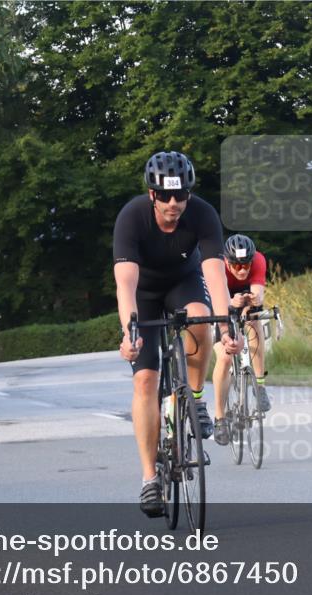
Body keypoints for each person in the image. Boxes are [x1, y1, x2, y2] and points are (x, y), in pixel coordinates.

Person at [114, 150, 242, 517]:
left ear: (189, 193)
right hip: (144, 293)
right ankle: (150, 478)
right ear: (152, 194)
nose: (174, 204)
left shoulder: (201, 214)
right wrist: (129, 332)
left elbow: (216, 274)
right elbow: (125, 284)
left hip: (184, 284)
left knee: (201, 318)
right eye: (166, 196)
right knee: (145, 381)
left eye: (181, 195)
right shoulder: (132, 218)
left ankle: (195, 396)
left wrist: (225, 325)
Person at [211, 234, 272, 446]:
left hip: (245, 297)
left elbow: (259, 295)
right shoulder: (217, 266)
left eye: (245, 264)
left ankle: (260, 385)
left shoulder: (258, 260)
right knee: (225, 357)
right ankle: (219, 418)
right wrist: (230, 303)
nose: (242, 269)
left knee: (254, 323)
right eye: (236, 266)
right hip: (222, 299)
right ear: (227, 261)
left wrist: (249, 304)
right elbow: (215, 298)